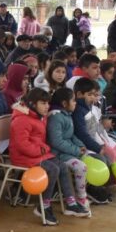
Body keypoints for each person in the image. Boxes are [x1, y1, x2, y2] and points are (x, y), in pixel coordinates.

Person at [10, 88, 66, 225]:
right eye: (43, 103)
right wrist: (42, 150)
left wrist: (42, 149)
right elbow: (22, 145)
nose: (47, 106)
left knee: (62, 166)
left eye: (48, 103)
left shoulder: (38, 116)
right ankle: (44, 206)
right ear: (32, 104)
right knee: (52, 169)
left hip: (37, 153)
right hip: (23, 156)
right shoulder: (22, 120)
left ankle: (71, 202)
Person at [46, 88, 92, 217]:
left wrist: (80, 146)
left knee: (88, 159)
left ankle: (81, 196)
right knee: (81, 167)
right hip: (58, 155)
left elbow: (71, 136)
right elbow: (57, 142)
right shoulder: (56, 117)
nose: (75, 103)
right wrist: (76, 150)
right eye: (73, 101)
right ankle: (81, 198)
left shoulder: (66, 115)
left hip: (67, 152)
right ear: (64, 103)